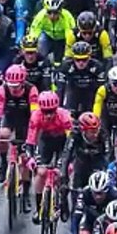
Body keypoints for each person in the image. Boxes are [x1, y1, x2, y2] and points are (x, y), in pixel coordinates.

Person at [27, 90, 74, 224]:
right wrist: (30, 157)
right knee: (41, 172)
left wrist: (68, 161)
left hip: (63, 142)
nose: (48, 115)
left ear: (56, 109)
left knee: (61, 172)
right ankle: (39, 208)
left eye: (51, 111)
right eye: (45, 112)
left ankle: (63, 199)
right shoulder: (36, 116)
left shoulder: (64, 116)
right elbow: (31, 138)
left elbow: (72, 139)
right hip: (45, 141)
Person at [0, 64, 39, 191]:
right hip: (10, 117)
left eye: (16, 86)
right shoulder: (3, 89)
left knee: (24, 157)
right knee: (3, 135)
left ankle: (26, 191)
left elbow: (35, 115)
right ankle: (3, 162)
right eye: (10, 86)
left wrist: (31, 140)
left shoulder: (31, 90)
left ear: (23, 83)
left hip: (27, 121)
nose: (13, 89)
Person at [58, 41, 105, 115]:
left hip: (91, 94)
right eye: (77, 60)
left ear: (89, 57)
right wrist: (59, 109)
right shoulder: (66, 66)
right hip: (73, 93)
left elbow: (101, 89)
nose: (81, 63)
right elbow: (60, 89)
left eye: (84, 59)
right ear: (73, 58)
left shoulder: (97, 66)